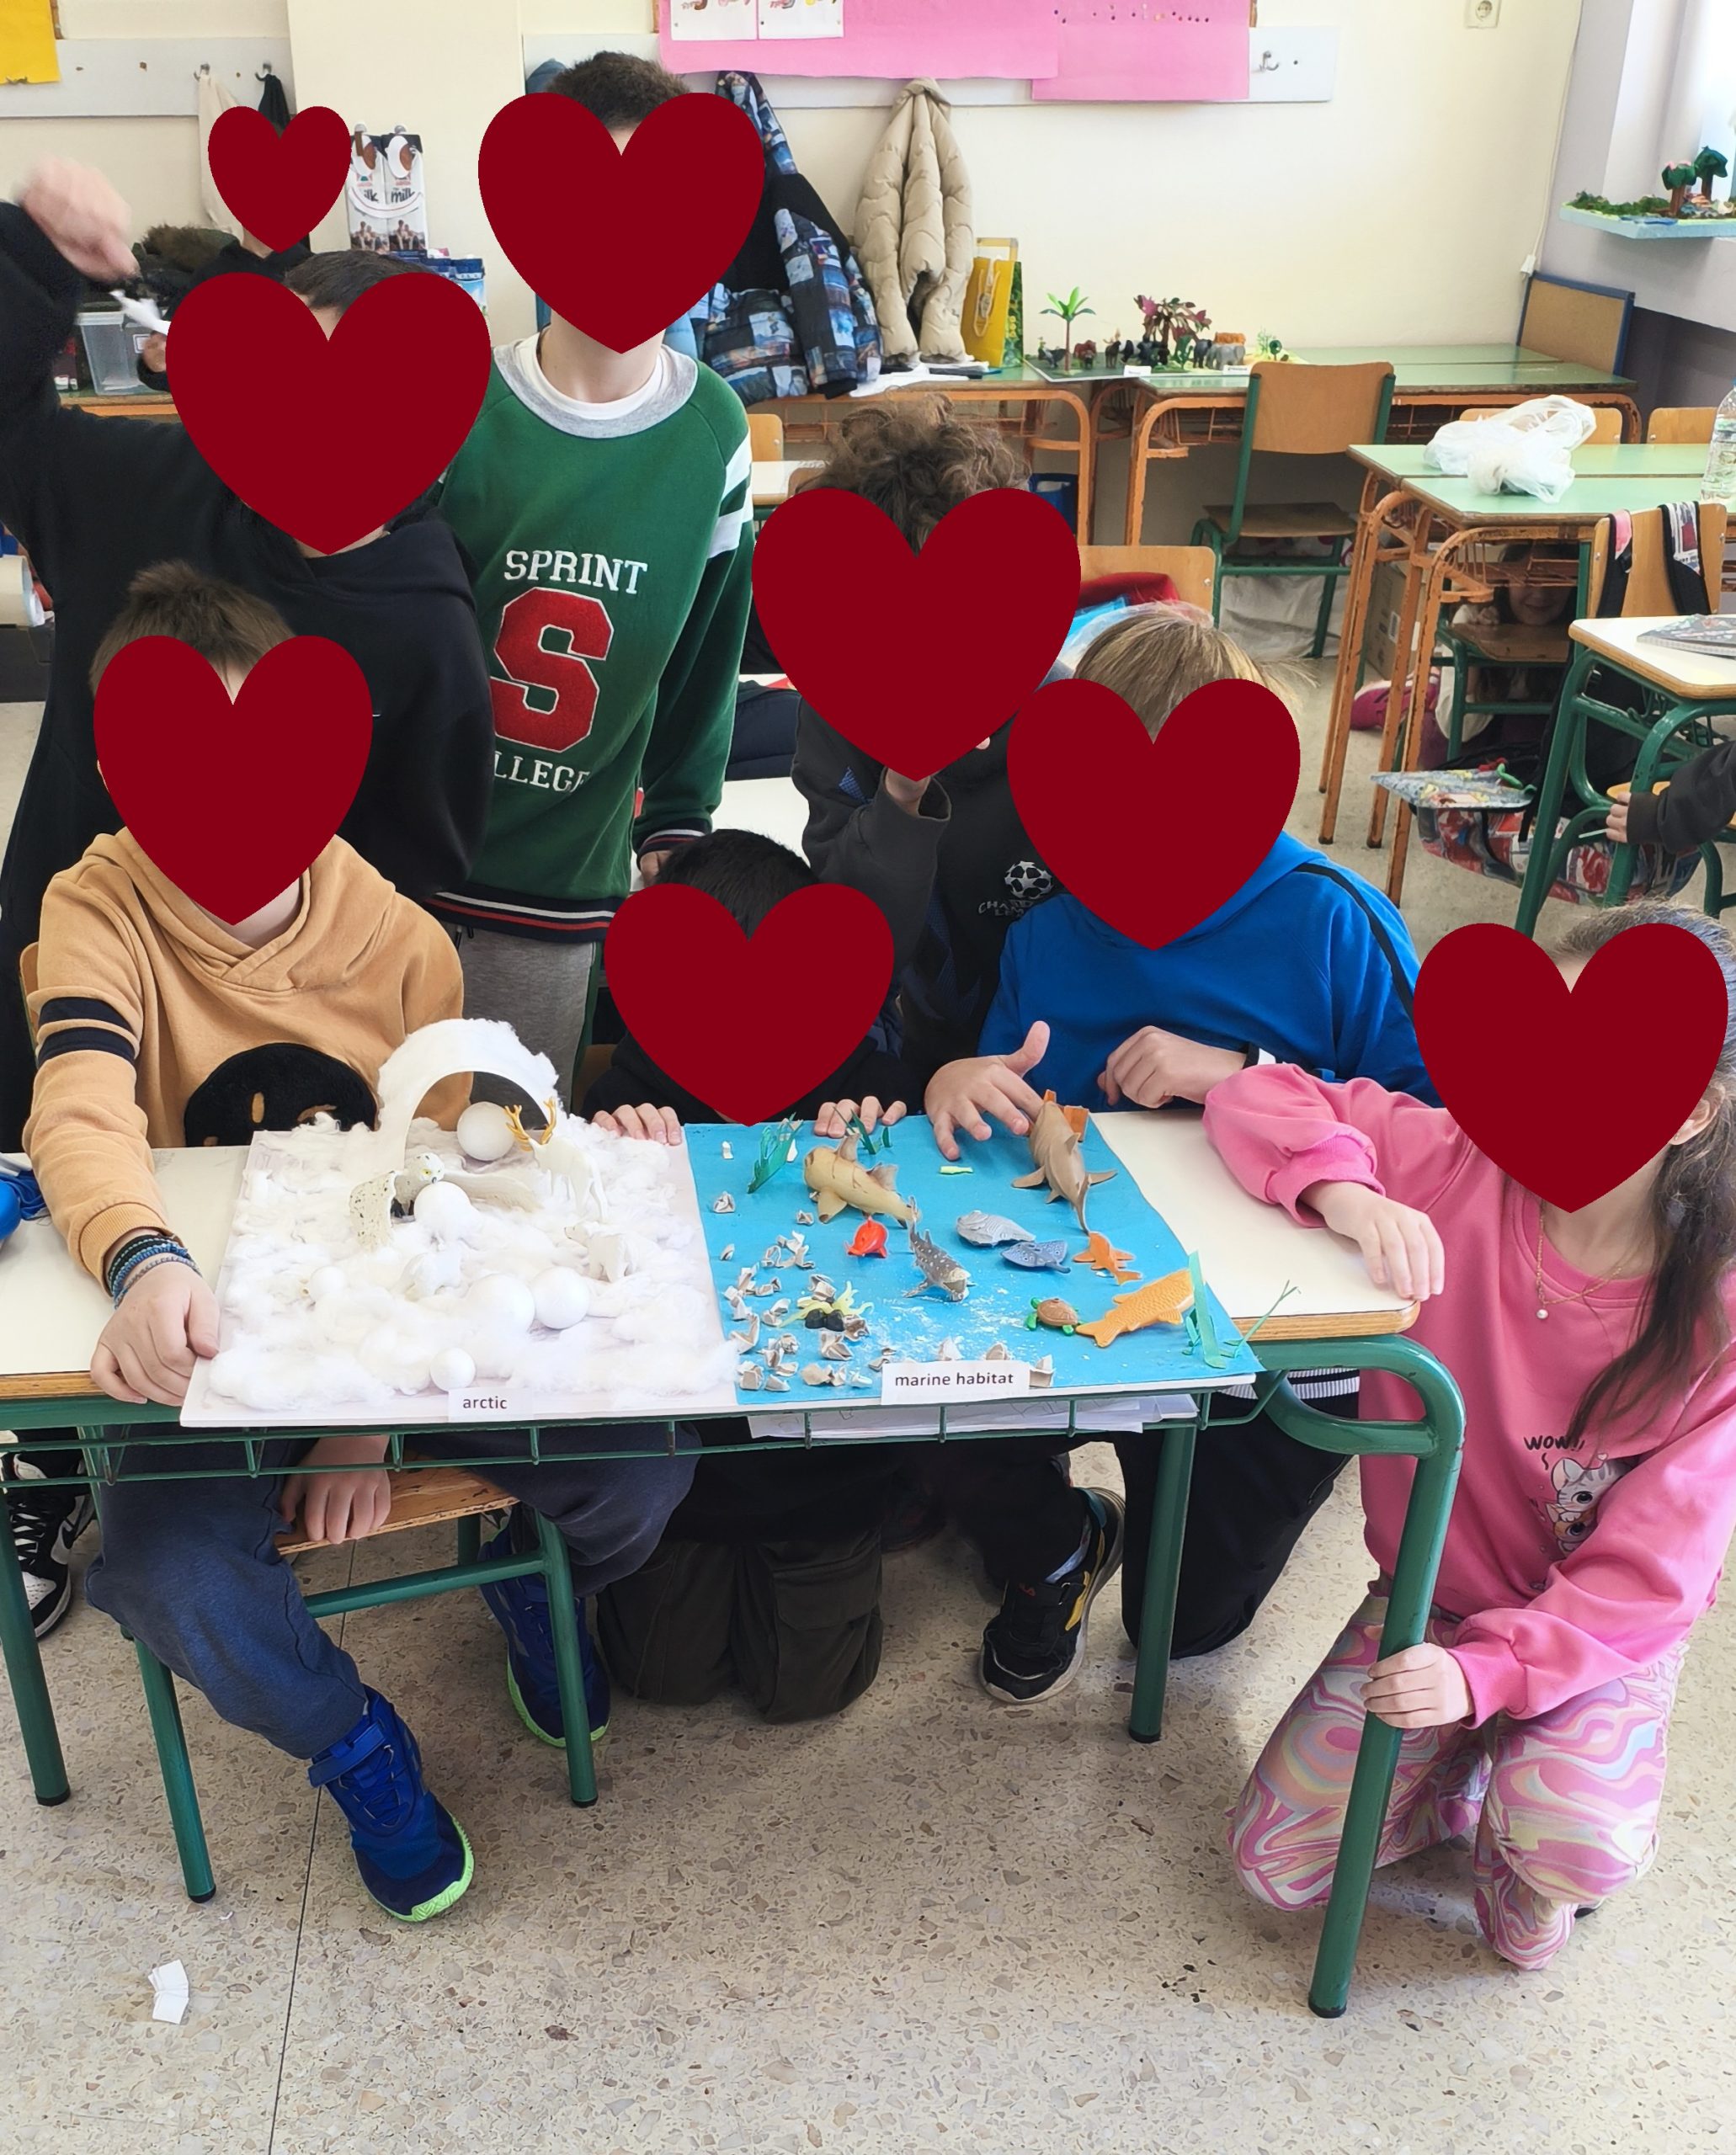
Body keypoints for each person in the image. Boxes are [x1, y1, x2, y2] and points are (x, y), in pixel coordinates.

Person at [21, 568, 695, 1920]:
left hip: (387, 1328)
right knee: (163, 1575)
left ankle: (532, 1584)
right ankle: (352, 1743)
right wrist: (144, 1262)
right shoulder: (95, 910)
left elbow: (438, 1181)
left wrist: (365, 1414)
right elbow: (79, 1108)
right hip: (210, 1340)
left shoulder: (399, 942)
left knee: (643, 1471)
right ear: (119, 772)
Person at [0, 160, 495, 1620]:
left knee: (250, 1228)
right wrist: (33, 255)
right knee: (58, 1214)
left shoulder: (426, 625)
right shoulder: (137, 484)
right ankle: (54, 1476)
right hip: (83, 939)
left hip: (288, 1005)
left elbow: (417, 873)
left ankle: (270, 1420)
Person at [1204, 900, 1736, 1971]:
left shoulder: (1715, 1309)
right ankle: (1460, 1775)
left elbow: (1651, 1577)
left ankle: (1519, 1800)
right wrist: (1348, 1197)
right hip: (1431, 1605)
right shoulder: (1456, 1159)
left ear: (1689, 1111)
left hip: (1588, 1641)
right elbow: (1260, 1096)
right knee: (1273, 1864)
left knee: (1550, 1877)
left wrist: (1492, 1675)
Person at [920, 608, 1435, 1705]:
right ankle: (1067, 1538)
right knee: (923, 1392)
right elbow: (998, 1102)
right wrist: (957, 1081)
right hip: (1090, 1297)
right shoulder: (1046, 933)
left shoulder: (1334, 921)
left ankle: (1186, 1501)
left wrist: (1241, 1073)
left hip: (1271, 1337)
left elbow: (1434, 1131)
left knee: (1184, 1625)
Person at [431, 52, 754, 1104]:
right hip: (416, 869)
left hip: (562, 890)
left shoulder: (712, 431)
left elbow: (708, 647)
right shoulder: (458, 404)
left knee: (515, 1149)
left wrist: (678, 818)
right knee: (383, 1145)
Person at [582, 829, 916, 1721]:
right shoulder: (629, 1089)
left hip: (828, 1476)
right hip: (687, 1478)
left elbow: (920, 1184)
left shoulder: (866, 1082)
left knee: (808, 1690)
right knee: (661, 1674)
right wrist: (607, 1154)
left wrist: (891, 1127)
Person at [791, 397, 1064, 1091]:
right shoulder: (836, 716)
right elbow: (853, 959)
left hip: (1062, 1071)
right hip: (917, 1074)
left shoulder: (1072, 721)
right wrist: (902, 795)